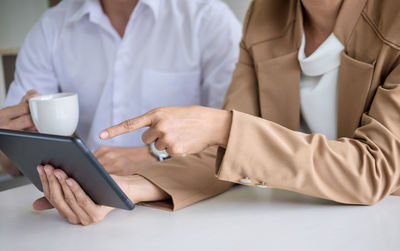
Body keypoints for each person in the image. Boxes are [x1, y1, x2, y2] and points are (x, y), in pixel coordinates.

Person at [35, 0, 400, 226]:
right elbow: (229, 153)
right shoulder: (265, 12)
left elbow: (374, 170)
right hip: (298, 219)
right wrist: (127, 189)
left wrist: (223, 125)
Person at [2, 0, 242, 175]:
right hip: (84, 202)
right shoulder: (51, 27)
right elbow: (11, 164)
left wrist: (156, 156)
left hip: (184, 198)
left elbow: (236, 137)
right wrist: (12, 144)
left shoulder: (209, 19)